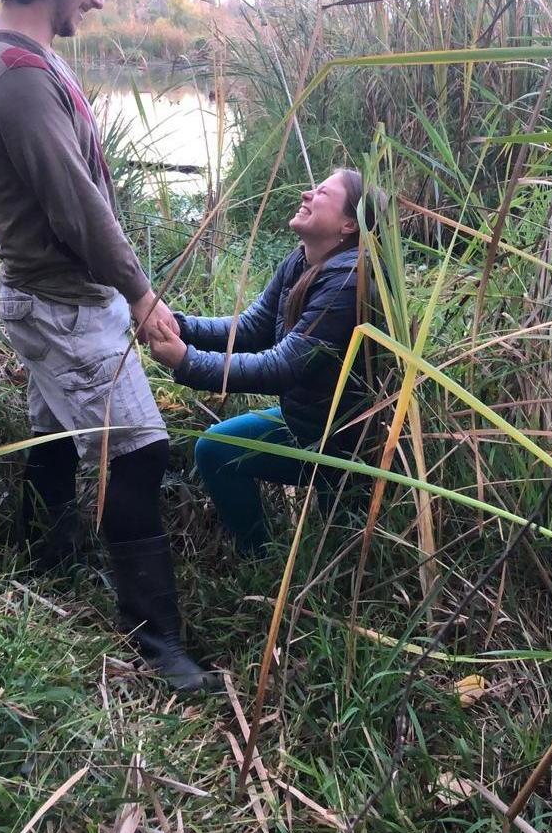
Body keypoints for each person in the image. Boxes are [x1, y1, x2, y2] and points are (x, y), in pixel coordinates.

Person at [0, 0, 216, 692]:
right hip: (65, 307)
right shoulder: (16, 76)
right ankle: (161, 650)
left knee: (53, 433)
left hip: (60, 300)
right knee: (137, 456)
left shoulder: (29, 58)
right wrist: (141, 297)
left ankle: (44, 555)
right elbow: (78, 208)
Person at [147, 170, 382, 555]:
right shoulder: (301, 261)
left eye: (322, 192)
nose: (306, 193)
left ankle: (286, 573)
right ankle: (262, 558)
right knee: (215, 450)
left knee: (343, 554)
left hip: (340, 444)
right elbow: (253, 327)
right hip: (304, 420)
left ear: (348, 223)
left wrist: (187, 361)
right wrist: (179, 325)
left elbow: (283, 367)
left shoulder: (349, 281)